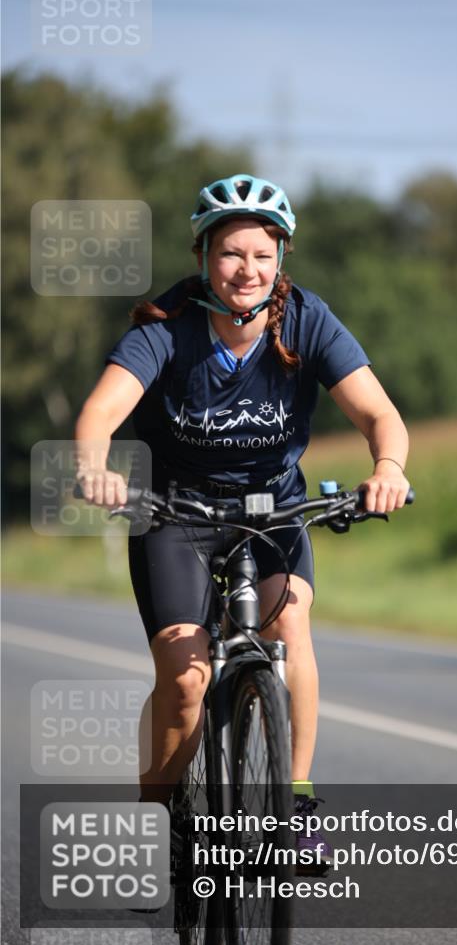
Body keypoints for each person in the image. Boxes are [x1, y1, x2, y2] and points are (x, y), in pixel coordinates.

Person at [74, 173, 410, 863]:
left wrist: (388, 469)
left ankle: (295, 806)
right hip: (177, 513)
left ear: (281, 257)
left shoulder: (306, 320)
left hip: (274, 508)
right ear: (204, 256)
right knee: (185, 679)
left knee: (291, 624)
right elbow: (101, 411)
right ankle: (154, 822)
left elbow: (380, 414)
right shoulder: (167, 325)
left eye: (261, 254)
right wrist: (93, 466)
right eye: (231, 253)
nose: (247, 269)